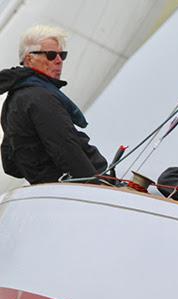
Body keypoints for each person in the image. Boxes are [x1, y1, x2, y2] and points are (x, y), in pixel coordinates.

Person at [0, 25, 106, 184]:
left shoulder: (14, 99)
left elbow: (11, 166)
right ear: (29, 59)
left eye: (62, 55)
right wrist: (97, 188)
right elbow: (66, 149)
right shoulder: (39, 97)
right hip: (76, 191)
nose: (59, 61)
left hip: (50, 191)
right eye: (51, 55)